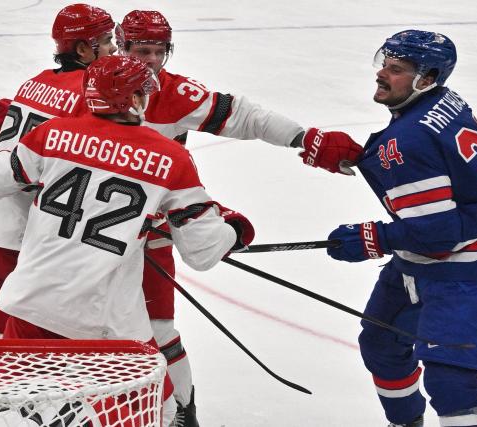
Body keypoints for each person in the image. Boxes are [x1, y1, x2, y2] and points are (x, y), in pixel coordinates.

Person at [0, 54, 255, 427]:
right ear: (135, 99)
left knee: (17, 414)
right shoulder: (171, 157)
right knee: (161, 412)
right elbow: (202, 252)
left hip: (29, 303)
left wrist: (12, 143)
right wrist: (234, 229)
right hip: (104, 320)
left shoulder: (51, 133)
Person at [116, 10, 364, 425]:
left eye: (160, 52)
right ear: (121, 46)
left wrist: (302, 138)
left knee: (158, 329)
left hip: (150, 233)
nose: (153, 62)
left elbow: (245, 116)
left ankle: (182, 413)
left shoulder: (175, 94)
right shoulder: (88, 88)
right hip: (89, 236)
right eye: (143, 51)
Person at [325, 30, 477, 427]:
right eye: (384, 63)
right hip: (439, 253)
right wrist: (359, 156)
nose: (382, 74)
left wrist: (374, 238)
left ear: (427, 78)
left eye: (396, 69)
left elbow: (436, 232)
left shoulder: (409, 139)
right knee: (382, 341)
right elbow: (460, 167)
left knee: (450, 380)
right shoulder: (445, 103)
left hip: (475, 263)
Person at [0, 3, 118, 338]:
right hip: (29, 232)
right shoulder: (90, 92)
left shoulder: (34, 82)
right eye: (106, 41)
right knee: (41, 344)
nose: (112, 49)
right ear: (82, 48)